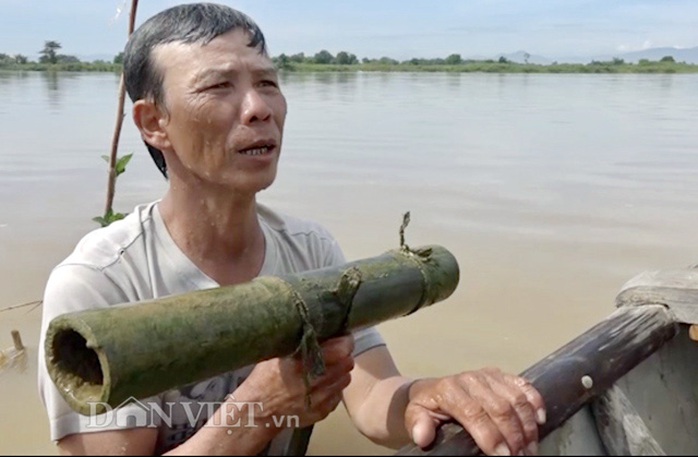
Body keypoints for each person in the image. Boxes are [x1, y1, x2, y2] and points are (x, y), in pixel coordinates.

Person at [37, 3, 546, 456]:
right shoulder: (99, 283)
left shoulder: (309, 250)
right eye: (218, 86)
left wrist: (428, 396)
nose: (259, 108)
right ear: (153, 124)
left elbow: (370, 396)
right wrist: (257, 411)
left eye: (268, 83)